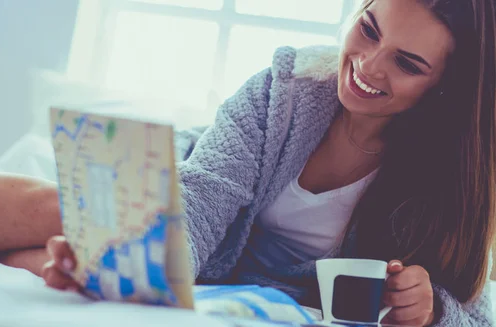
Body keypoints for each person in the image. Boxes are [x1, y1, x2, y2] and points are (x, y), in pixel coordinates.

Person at [40, 0, 496, 326]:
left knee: (40, 249)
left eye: (408, 64)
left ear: (444, 88)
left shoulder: (449, 178)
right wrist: (147, 259)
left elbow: (478, 311)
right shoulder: (282, 92)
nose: (368, 66)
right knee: (42, 212)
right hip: (186, 205)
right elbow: (202, 195)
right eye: (370, 29)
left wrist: (433, 309)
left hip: (248, 288)